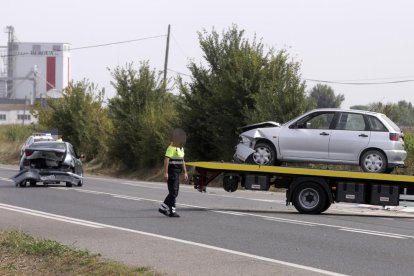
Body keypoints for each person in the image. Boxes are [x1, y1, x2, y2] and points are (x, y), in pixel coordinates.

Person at [159, 129, 188, 217]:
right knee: (173, 192)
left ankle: (163, 208)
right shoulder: (171, 147)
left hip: (177, 173)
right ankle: (171, 211)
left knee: (175, 192)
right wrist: (165, 173)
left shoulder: (181, 148)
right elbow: (166, 160)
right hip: (172, 172)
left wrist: (185, 172)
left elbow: (182, 160)